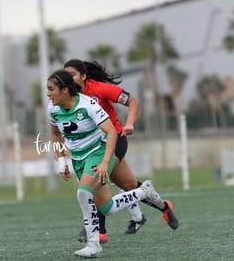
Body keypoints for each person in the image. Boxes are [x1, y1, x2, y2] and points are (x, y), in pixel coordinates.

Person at [47, 70, 166, 258]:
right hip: (78, 158)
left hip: (99, 151)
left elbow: (111, 132)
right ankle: (144, 191)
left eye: (51, 89)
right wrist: (62, 160)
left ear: (64, 89)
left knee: (83, 193)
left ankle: (93, 245)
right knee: (107, 208)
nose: (48, 93)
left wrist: (105, 163)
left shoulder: (88, 105)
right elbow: (55, 134)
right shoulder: (52, 108)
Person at [63, 59, 178, 243]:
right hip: (93, 145)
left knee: (94, 178)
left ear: (84, 76)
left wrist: (130, 123)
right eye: (65, 74)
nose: (68, 78)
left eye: (73, 74)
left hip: (115, 139)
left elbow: (132, 101)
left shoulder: (99, 89)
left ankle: (99, 231)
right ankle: (163, 205)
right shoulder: (66, 96)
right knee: (130, 185)